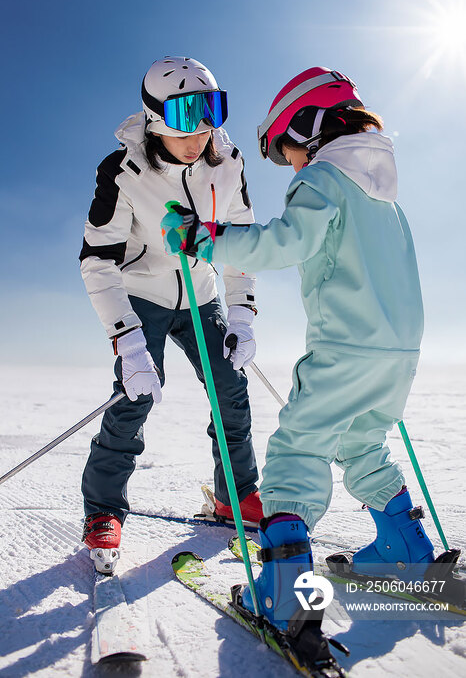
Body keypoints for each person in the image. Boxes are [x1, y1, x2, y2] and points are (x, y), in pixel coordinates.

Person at [162, 67, 438, 637]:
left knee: (297, 449)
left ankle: (285, 593)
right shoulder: (385, 195)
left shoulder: (324, 178)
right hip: (399, 352)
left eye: (286, 151)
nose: (290, 165)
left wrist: (204, 238)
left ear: (309, 128)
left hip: (344, 347)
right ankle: (405, 548)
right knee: (361, 442)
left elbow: (284, 241)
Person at [79, 56, 263, 573]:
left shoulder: (229, 164)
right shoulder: (124, 171)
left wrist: (243, 314)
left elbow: (242, 241)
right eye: (187, 115)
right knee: (134, 397)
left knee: (231, 389)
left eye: (213, 111)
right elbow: (97, 260)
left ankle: (236, 495)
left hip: (202, 295)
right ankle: (103, 510)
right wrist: (127, 340)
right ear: (156, 116)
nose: (202, 130)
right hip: (144, 296)